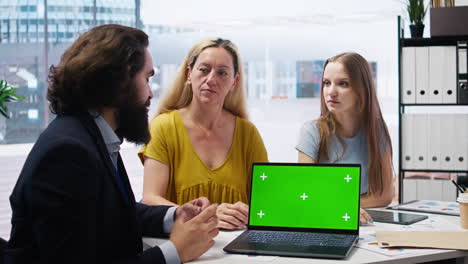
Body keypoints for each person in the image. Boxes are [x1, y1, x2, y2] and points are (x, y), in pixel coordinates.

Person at [4, 24, 219, 264]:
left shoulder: (89, 135)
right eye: (147, 78)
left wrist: (175, 215)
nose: (150, 93)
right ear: (119, 82)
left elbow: (110, 213)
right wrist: (174, 252)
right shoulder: (67, 152)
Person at [139, 38, 268, 230]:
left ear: (235, 82)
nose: (211, 79)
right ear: (189, 74)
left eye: (222, 73)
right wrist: (209, 216)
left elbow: (265, 205)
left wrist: (248, 213)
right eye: (204, 70)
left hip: (234, 252)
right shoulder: (164, 127)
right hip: (181, 247)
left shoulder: (248, 134)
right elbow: (149, 199)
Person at [295, 52, 394, 224]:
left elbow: (385, 196)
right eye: (326, 83)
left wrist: (340, 206)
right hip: (323, 221)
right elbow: (305, 195)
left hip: (367, 222)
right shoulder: (311, 131)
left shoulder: (376, 131)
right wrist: (342, 209)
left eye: (343, 84)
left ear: (361, 89)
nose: (331, 92)